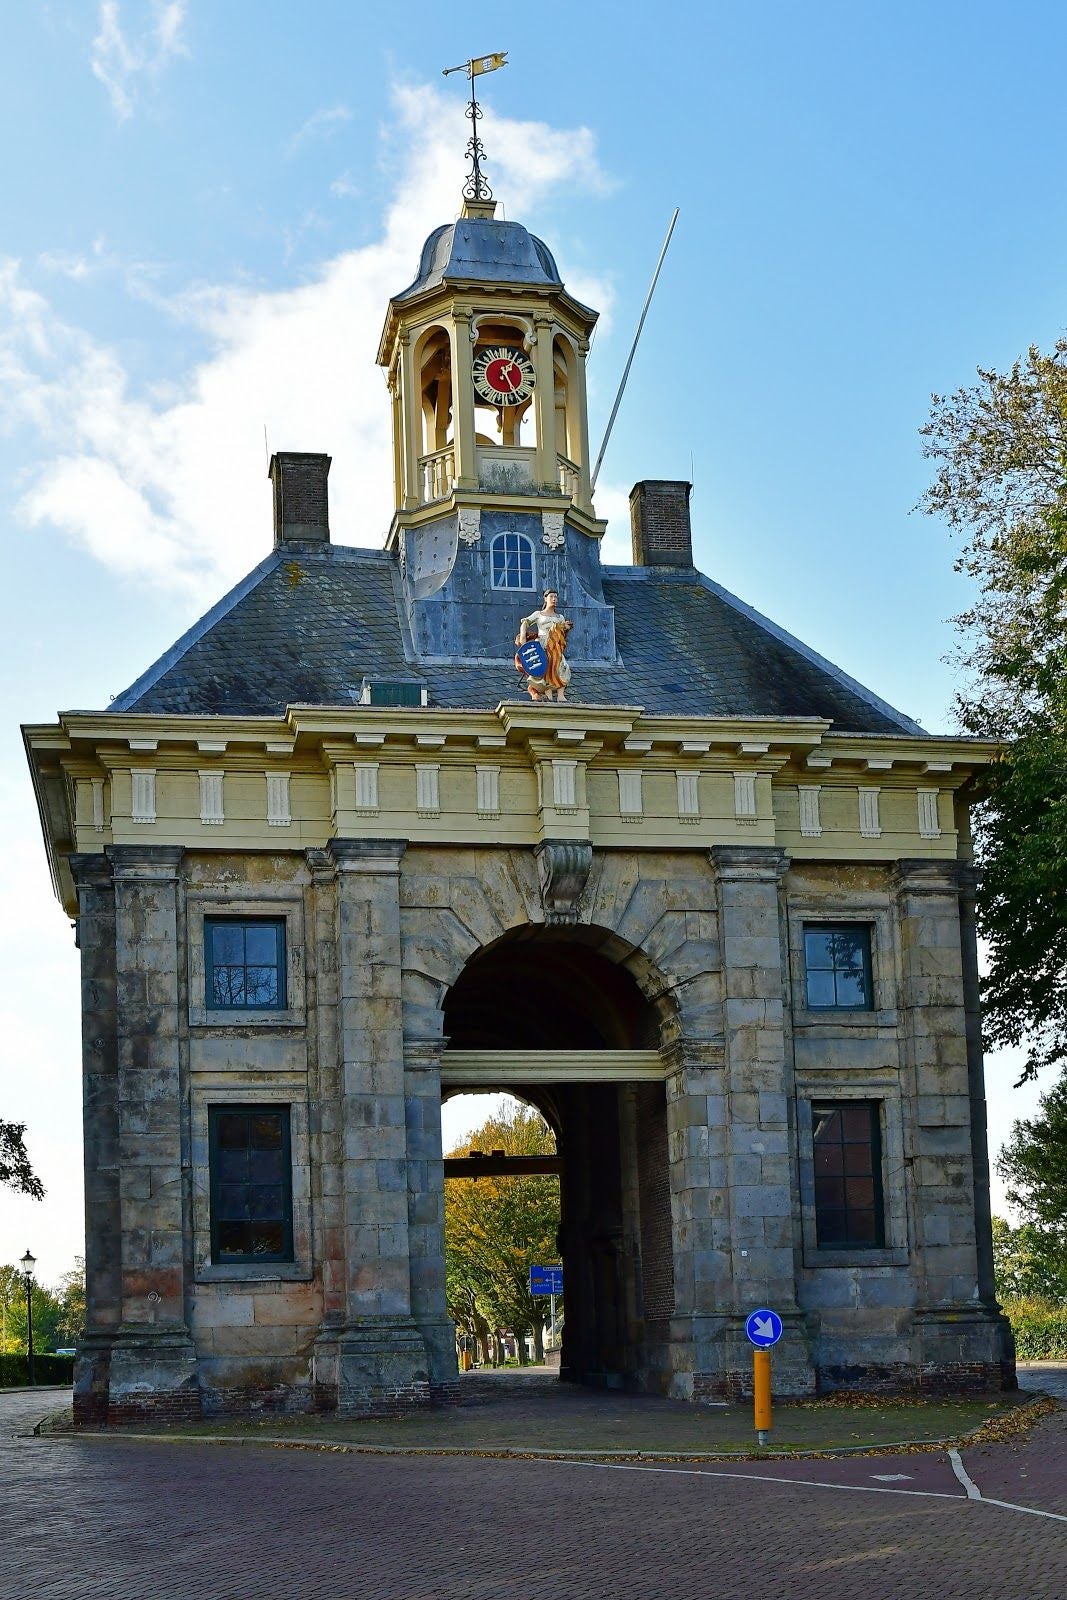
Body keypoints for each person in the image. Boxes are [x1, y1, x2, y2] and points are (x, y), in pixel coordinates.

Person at [514, 589, 574, 702]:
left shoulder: (560, 617)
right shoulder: (538, 614)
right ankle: (548, 693)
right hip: (542, 644)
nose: (554, 599)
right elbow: (525, 623)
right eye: (551, 597)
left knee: (562, 666)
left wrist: (566, 628)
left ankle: (561, 695)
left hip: (555, 645)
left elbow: (562, 633)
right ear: (545, 599)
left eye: (555, 597)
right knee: (546, 667)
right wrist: (522, 636)